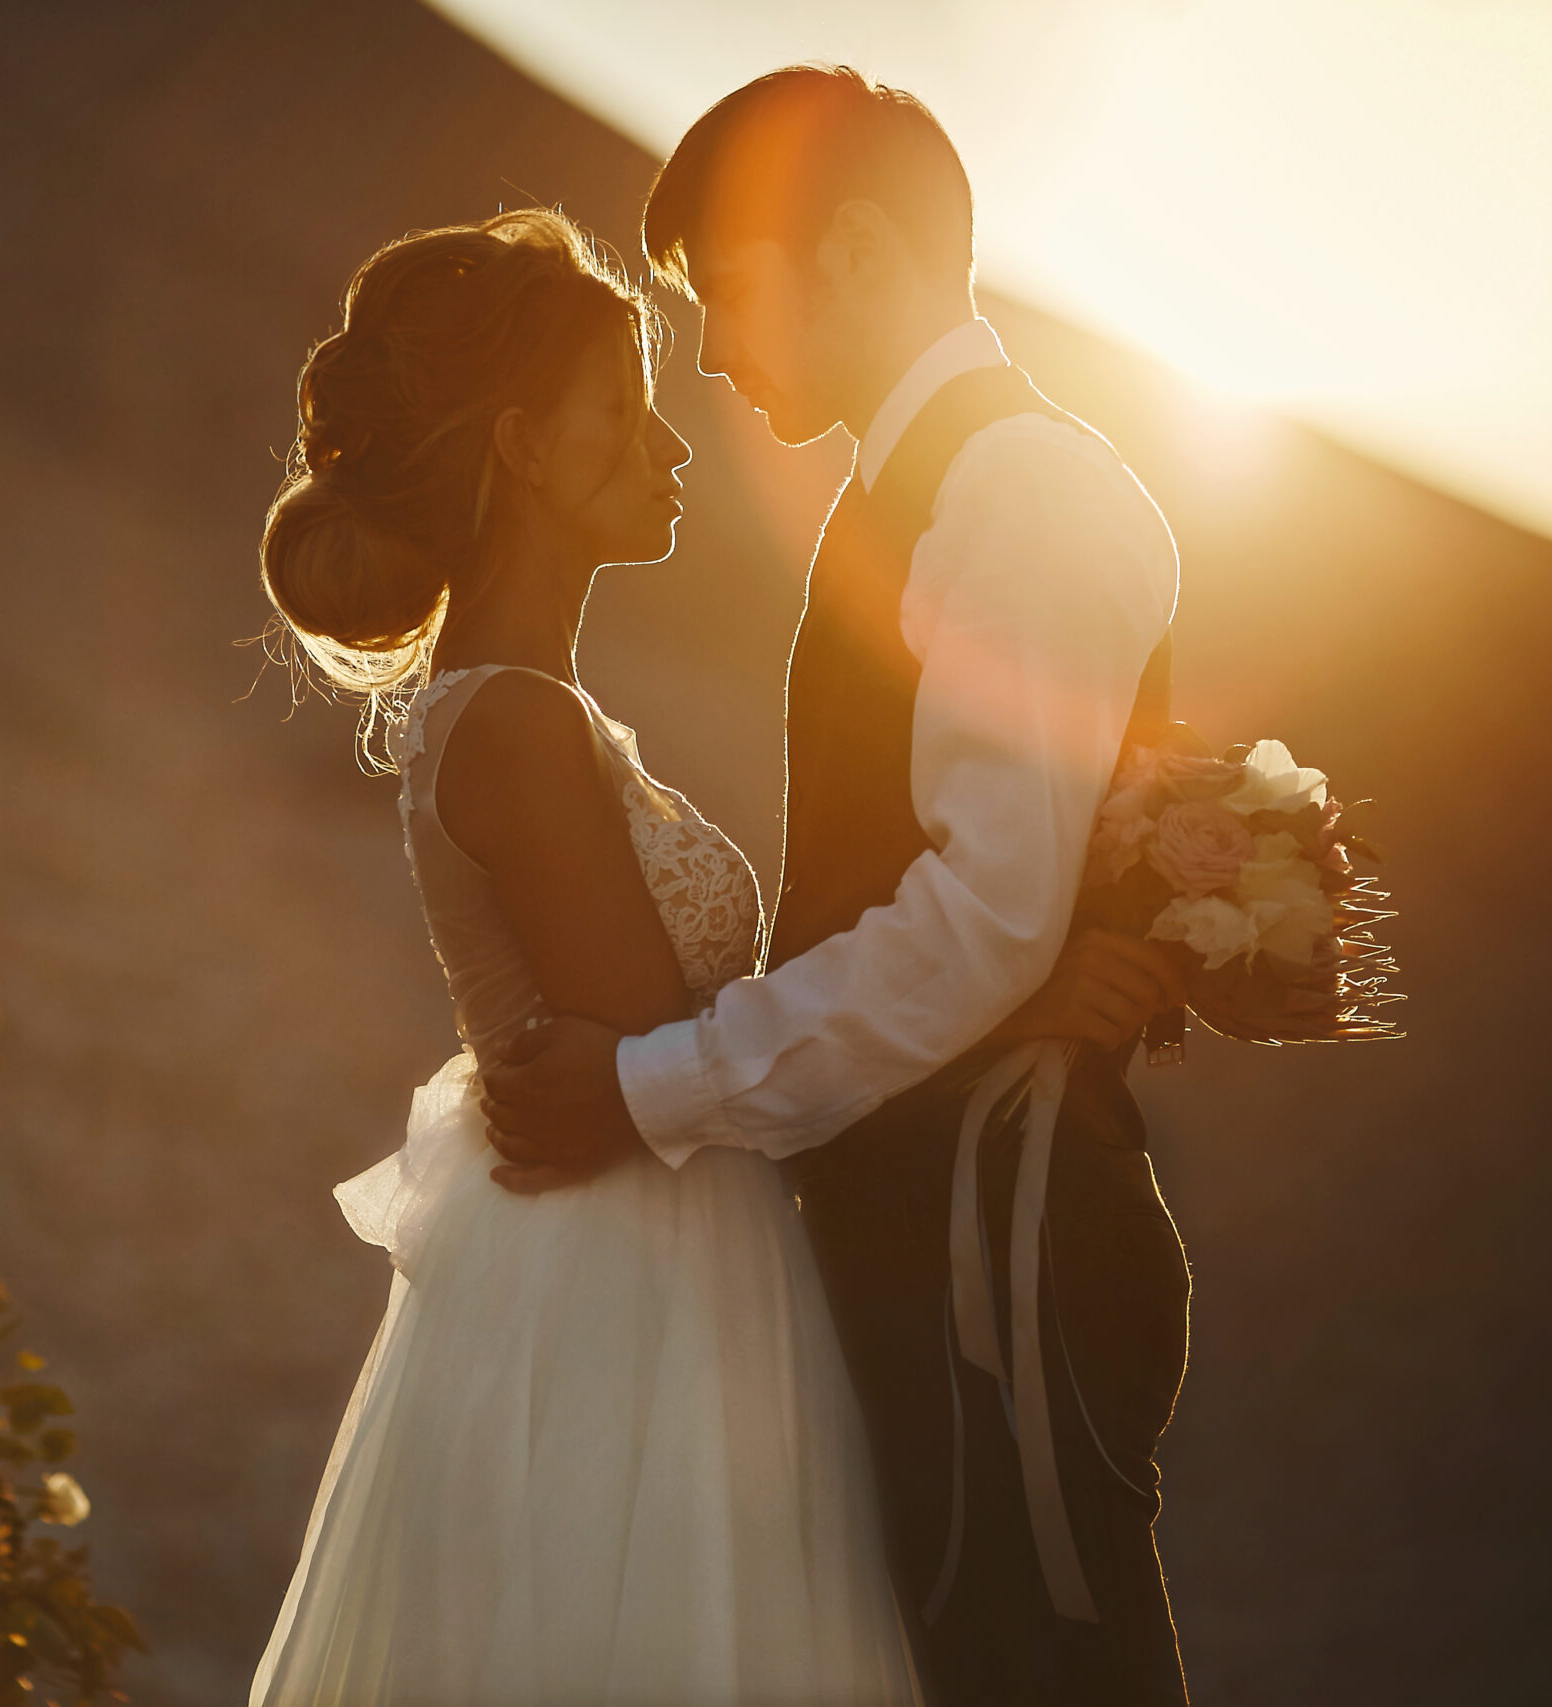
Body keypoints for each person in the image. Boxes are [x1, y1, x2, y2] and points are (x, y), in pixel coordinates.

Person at [246, 202, 1175, 1706]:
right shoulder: (518, 729)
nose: (670, 447)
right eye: (623, 412)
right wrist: (1013, 996)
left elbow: (669, 1046)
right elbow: (647, 1057)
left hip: (654, 1258)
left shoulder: (530, 709)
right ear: (522, 448)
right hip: (634, 1296)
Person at [483, 68, 1196, 1705]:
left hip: (997, 1236)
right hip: (931, 1211)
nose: (719, 353)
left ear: (861, 252)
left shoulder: (1022, 493)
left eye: (729, 294)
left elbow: (985, 915)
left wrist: (655, 1086)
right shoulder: (928, 490)